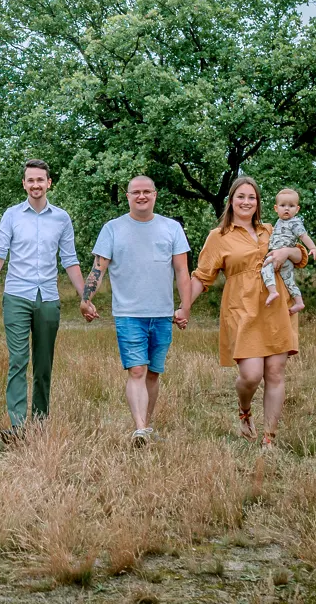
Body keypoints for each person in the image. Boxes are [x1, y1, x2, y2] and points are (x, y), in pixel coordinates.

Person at [179, 176, 308, 449]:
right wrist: (184, 307)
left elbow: (301, 255)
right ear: (231, 201)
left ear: (259, 203)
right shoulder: (219, 237)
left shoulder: (271, 230)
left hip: (276, 307)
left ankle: (268, 438)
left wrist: (287, 252)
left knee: (275, 372)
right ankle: (245, 410)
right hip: (242, 309)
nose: (246, 202)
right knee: (251, 375)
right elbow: (202, 277)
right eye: (241, 196)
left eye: (252, 197)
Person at [78, 176, 191, 446]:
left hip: (162, 313)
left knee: (153, 372)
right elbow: (98, 268)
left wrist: (184, 307)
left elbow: (181, 271)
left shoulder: (171, 228)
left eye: (146, 192)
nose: (141, 196)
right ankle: (139, 428)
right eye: (135, 192)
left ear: (155, 194)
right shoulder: (113, 229)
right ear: (127, 196)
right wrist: (86, 299)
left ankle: (147, 427)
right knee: (137, 370)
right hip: (128, 313)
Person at [0, 159, 86, 442]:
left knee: (43, 363)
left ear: (49, 183)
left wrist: (85, 297)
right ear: (24, 184)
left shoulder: (61, 218)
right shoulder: (12, 216)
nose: (36, 185)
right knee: (18, 360)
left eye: (41, 180)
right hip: (17, 296)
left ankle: (39, 423)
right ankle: (16, 426)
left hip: (48, 298)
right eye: (31, 180)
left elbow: (70, 260)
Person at [261, 188, 316, 313]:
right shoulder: (278, 222)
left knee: (265, 267)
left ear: (297, 209)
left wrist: (313, 248)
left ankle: (272, 291)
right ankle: (299, 302)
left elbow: (304, 236)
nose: (287, 209)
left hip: (284, 257)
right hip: (283, 259)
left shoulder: (295, 222)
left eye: (291, 206)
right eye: (283, 205)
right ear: (276, 208)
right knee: (289, 281)